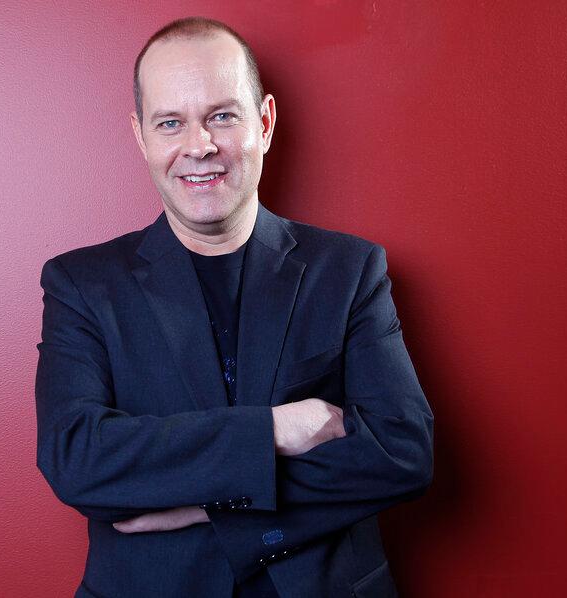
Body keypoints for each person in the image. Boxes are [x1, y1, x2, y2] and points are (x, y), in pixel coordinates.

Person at [35, 16, 434, 598]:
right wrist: (276, 429)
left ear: (264, 123)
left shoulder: (350, 271)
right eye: (171, 122)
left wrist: (209, 506)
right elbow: (78, 460)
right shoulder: (79, 284)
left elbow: (403, 454)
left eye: (223, 115)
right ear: (142, 137)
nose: (199, 146)